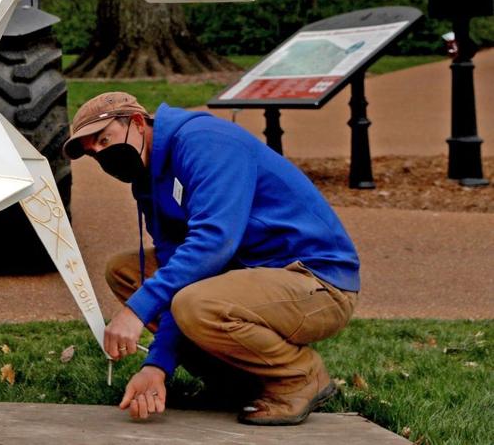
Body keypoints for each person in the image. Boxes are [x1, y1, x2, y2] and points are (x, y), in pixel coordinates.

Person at [66, 91, 359, 426]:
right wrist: (156, 366)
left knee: (193, 303)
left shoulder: (204, 141)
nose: (103, 155)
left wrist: (136, 310)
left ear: (136, 122)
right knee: (128, 272)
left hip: (317, 281)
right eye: (94, 152)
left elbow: (215, 242)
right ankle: (238, 383)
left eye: (105, 140)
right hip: (248, 274)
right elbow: (180, 264)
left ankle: (300, 377)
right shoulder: (148, 180)